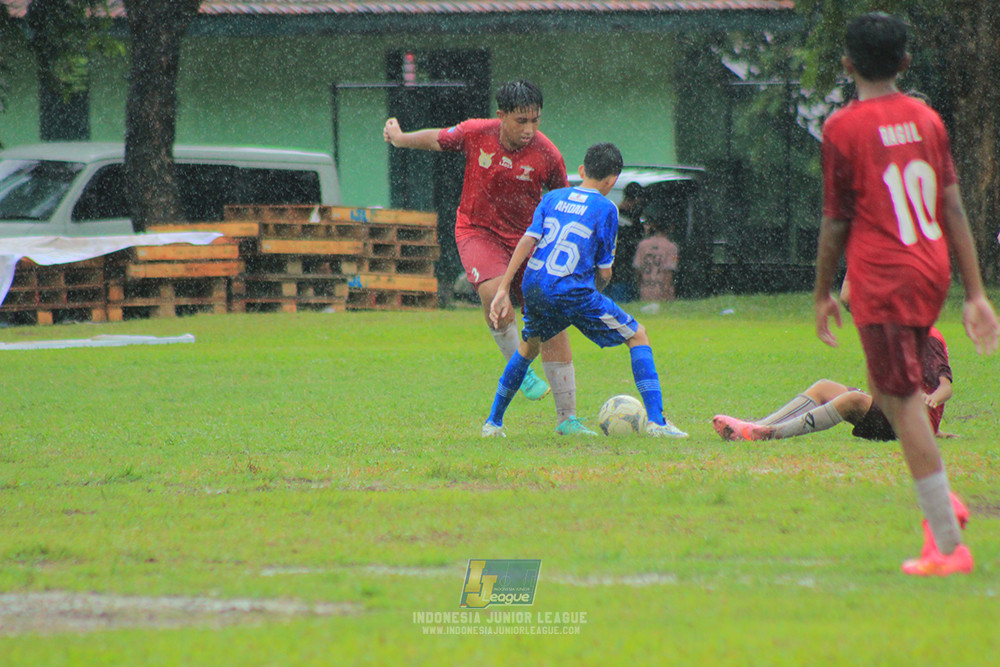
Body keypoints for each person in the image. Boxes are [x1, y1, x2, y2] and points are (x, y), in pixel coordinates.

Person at [813, 13, 999, 576]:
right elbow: (954, 207)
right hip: (929, 270)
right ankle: (946, 510)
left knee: (901, 406)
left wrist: (822, 290)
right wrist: (974, 292)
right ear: (905, 63)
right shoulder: (926, 119)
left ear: (847, 66)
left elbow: (835, 222)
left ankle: (947, 542)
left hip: (884, 277)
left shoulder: (843, 129)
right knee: (897, 398)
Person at [383, 80, 589, 435]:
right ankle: (520, 370)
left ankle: (567, 419)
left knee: (553, 322)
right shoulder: (477, 132)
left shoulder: (548, 155)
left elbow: (560, 205)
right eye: (521, 120)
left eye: (535, 121)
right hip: (478, 231)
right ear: (502, 115)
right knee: (495, 296)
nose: (529, 130)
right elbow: (437, 138)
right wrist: (400, 138)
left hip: (528, 241)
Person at [481, 143, 688, 439]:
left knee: (528, 347)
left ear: (581, 170)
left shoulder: (552, 197)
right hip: (572, 290)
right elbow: (604, 271)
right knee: (637, 334)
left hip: (535, 284)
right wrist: (596, 292)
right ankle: (657, 422)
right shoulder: (606, 209)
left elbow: (527, 241)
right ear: (612, 180)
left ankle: (493, 423)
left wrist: (503, 288)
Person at [712, 326, 953, 442]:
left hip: (910, 425)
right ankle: (754, 427)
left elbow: (945, 386)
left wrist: (934, 405)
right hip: (897, 413)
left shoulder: (928, 338)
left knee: (853, 400)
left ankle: (769, 434)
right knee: (824, 386)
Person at [632, 219, 679, 303]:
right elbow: (668, 272)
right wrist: (666, 294)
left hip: (646, 288)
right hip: (661, 286)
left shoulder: (643, 245)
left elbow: (638, 269)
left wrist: (640, 286)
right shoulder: (671, 247)